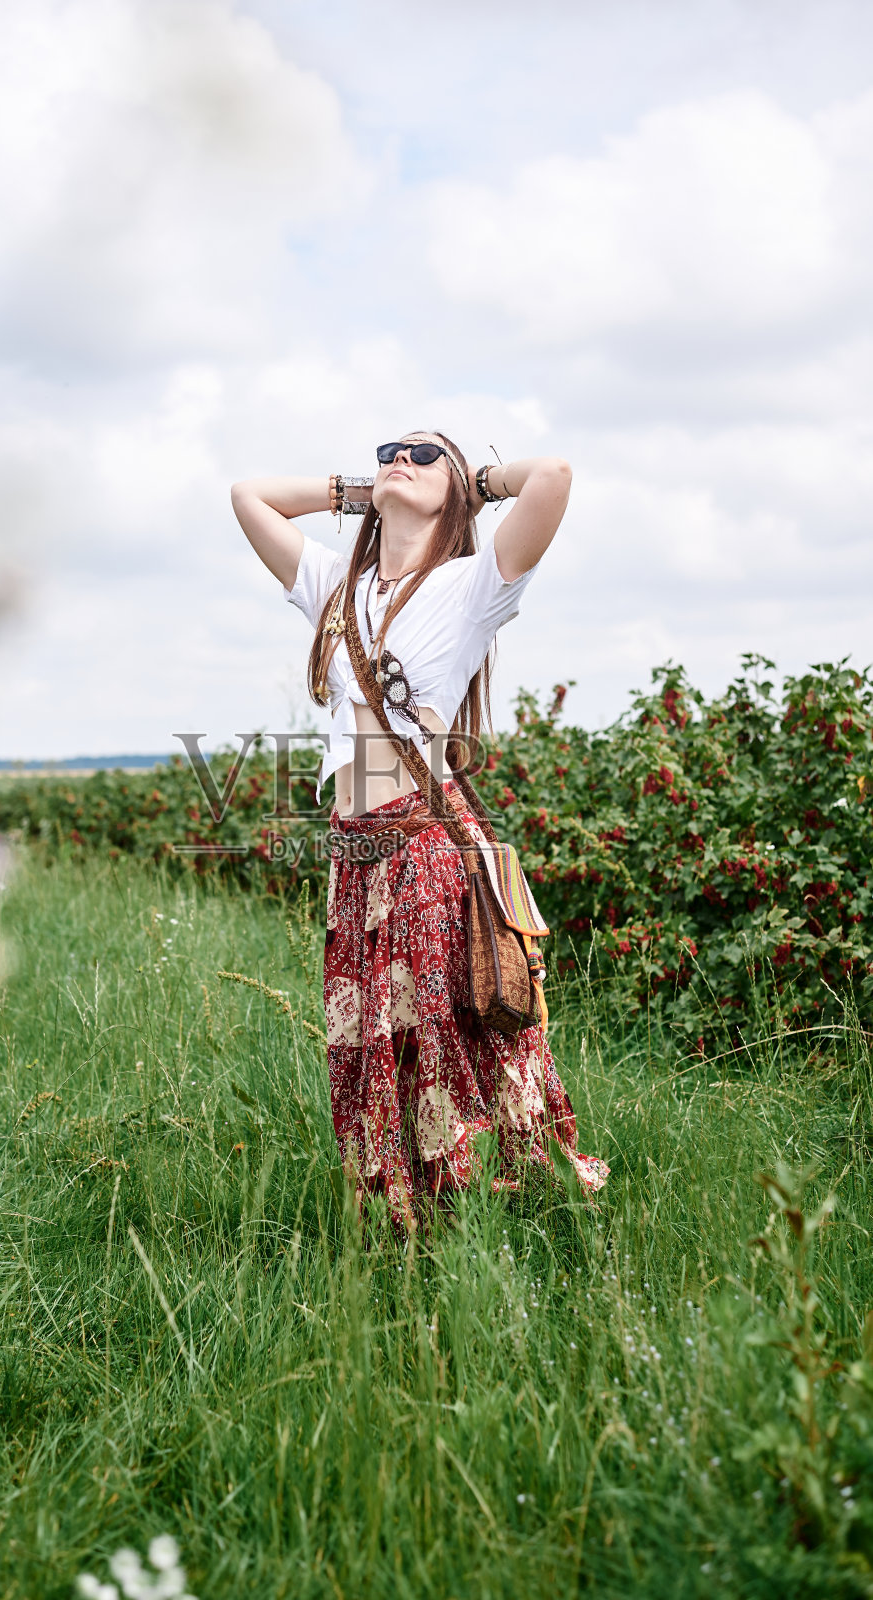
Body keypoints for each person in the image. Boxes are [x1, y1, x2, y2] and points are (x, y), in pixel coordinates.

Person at [232, 434, 607, 1231]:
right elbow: (248, 497)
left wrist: (473, 480)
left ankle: (484, 1212)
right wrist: (362, 490)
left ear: (457, 488)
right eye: (390, 449)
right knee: (371, 1041)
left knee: (443, 1031)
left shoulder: (474, 585)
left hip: (424, 844)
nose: (401, 458)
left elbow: (555, 476)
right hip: (354, 857)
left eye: (423, 455)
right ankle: (406, 1217)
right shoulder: (340, 584)